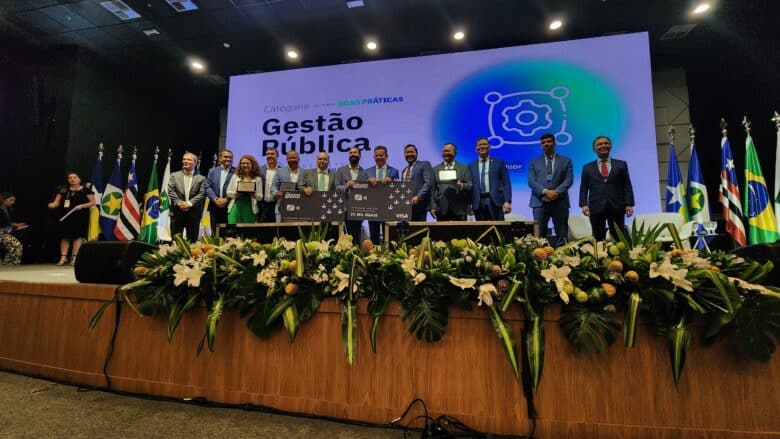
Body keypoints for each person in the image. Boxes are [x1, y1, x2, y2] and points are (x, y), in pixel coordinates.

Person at [579, 135, 635, 241]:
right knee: (598, 237)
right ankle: (599, 257)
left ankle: (618, 257)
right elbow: (584, 187)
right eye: (600, 144)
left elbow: (627, 185)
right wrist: (583, 204)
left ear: (610, 146)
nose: (603, 145)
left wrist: (629, 204)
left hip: (617, 206)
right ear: (594, 148)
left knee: (618, 237)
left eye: (606, 143)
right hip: (595, 207)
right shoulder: (587, 167)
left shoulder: (621, 165)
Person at [528, 133, 573, 246]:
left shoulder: (566, 161)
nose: (546, 144)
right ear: (541, 145)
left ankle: (563, 261)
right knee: (539, 236)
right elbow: (531, 182)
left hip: (560, 202)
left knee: (562, 235)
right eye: (543, 143)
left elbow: (568, 180)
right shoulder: (534, 162)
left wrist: (555, 193)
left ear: (554, 143)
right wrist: (545, 192)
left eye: (549, 141)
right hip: (540, 202)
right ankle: (541, 259)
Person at [46, 171, 95, 265]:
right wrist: (52, 205)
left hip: (79, 216)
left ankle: (75, 258)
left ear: (79, 179)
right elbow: (56, 202)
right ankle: (63, 258)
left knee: (76, 236)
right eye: (70, 178)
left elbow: (92, 202)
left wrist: (81, 206)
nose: (72, 179)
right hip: (65, 216)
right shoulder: (63, 190)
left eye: (75, 177)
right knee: (65, 236)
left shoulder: (86, 190)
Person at [469, 137, 512, 221]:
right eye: (480, 145)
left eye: (485, 144)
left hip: (496, 201)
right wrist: (468, 204)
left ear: (489, 147)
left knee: (499, 229)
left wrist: (508, 201)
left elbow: (506, 183)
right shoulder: (471, 165)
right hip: (478, 202)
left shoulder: (499, 162)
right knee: (481, 230)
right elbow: (469, 186)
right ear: (476, 149)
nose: (482, 146)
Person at [168, 152, 206, 242]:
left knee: (192, 241)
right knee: (176, 241)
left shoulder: (202, 178)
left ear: (195, 163)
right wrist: (179, 203)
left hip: (194, 214)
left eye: (188, 159)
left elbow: (202, 194)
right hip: (177, 213)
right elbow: (170, 191)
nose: (185, 161)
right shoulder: (174, 175)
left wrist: (189, 203)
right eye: (184, 159)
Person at [365, 146, 399, 244]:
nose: (379, 157)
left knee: (388, 236)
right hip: (372, 208)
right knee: (373, 237)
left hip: (388, 209)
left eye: (381, 155)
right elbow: (363, 190)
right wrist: (367, 183)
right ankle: (373, 258)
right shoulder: (367, 172)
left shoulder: (394, 171)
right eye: (377, 155)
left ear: (387, 156)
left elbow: (397, 190)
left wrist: (392, 182)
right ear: (374, 157)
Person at [334, 147, 368, 244]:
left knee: (357, 235)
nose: (353, 154)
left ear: (360, 155)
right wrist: (346, 186)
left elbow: (366, 190)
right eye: (350, 153)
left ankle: (356, 256)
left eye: (355, 153)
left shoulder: (364, 172)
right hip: (344, 208)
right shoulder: (340, 170)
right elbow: (336, 187)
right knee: (344, 236)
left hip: (359, 209)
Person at [431, 143, 472, 221]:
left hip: (460, 209)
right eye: (444, 151)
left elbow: (470, 185)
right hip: (441, 209)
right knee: (441, 233)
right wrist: (432, 207)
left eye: (448, 151)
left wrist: (461, 186)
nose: (446, 153)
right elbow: (432, 190)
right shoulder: (435, 169)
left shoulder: (464, 168)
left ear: (455, 153)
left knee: (460, 233)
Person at [400, 144, 434, 221]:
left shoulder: (424, 164)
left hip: (420, 206)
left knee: (419, 231)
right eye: (407, 152)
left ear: (416, 153)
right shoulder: (404, 171)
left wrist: (418, 196)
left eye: (411, 152)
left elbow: (428, 183)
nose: (409, 154)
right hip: (407, 207)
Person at [226, 155, 263, 224]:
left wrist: (254, 195)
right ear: (240, 165)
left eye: (247, 163)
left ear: (252, 164)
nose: (245, 165)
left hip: (250, 208)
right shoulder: (235, 177)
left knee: (248, 232)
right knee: (233, 230)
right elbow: (228, 193)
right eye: (243, 163)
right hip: (236, 206)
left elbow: (260, 197)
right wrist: (235, 194)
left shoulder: (258, 179)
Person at [204, 150, 234, 228]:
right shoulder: (212, 171)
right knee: (215, 233)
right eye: (225, 157)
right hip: (214, 206)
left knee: (230, 232)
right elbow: (207, 186)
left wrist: (226, 199)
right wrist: (215, 199)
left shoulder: (236, 171)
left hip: (230, 206)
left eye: (230, 157)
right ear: (220, 158)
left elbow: (237, 188)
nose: (228, 159)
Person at [271, 150, 303, 221]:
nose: (292, 160)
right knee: (282, 230)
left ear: (299, 159)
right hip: (282, 206)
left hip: (299, 207)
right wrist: (275, 192)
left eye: (294, 157)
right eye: (290, 158)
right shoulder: (279, 171)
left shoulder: (305, 172)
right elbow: (274, 185)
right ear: (286, 160)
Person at [0, 193, 23, 265]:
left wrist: (15, 225)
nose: (13, 202)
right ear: (4, 200)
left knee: (17, 246)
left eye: (14, 200)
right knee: (16, 246)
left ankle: (9, 264)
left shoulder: (8, 210)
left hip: (5, 232)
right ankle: (9, 264)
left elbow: (6, 222)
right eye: (11, 200)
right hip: (1, 233)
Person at [258, 148, 280, 223]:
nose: (270, 156)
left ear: (277, 156)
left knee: (277, 231)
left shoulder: (283, 170)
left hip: (277, 205)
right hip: (262, 206)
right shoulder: (259, 170)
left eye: (272, 154)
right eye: (268, 154)